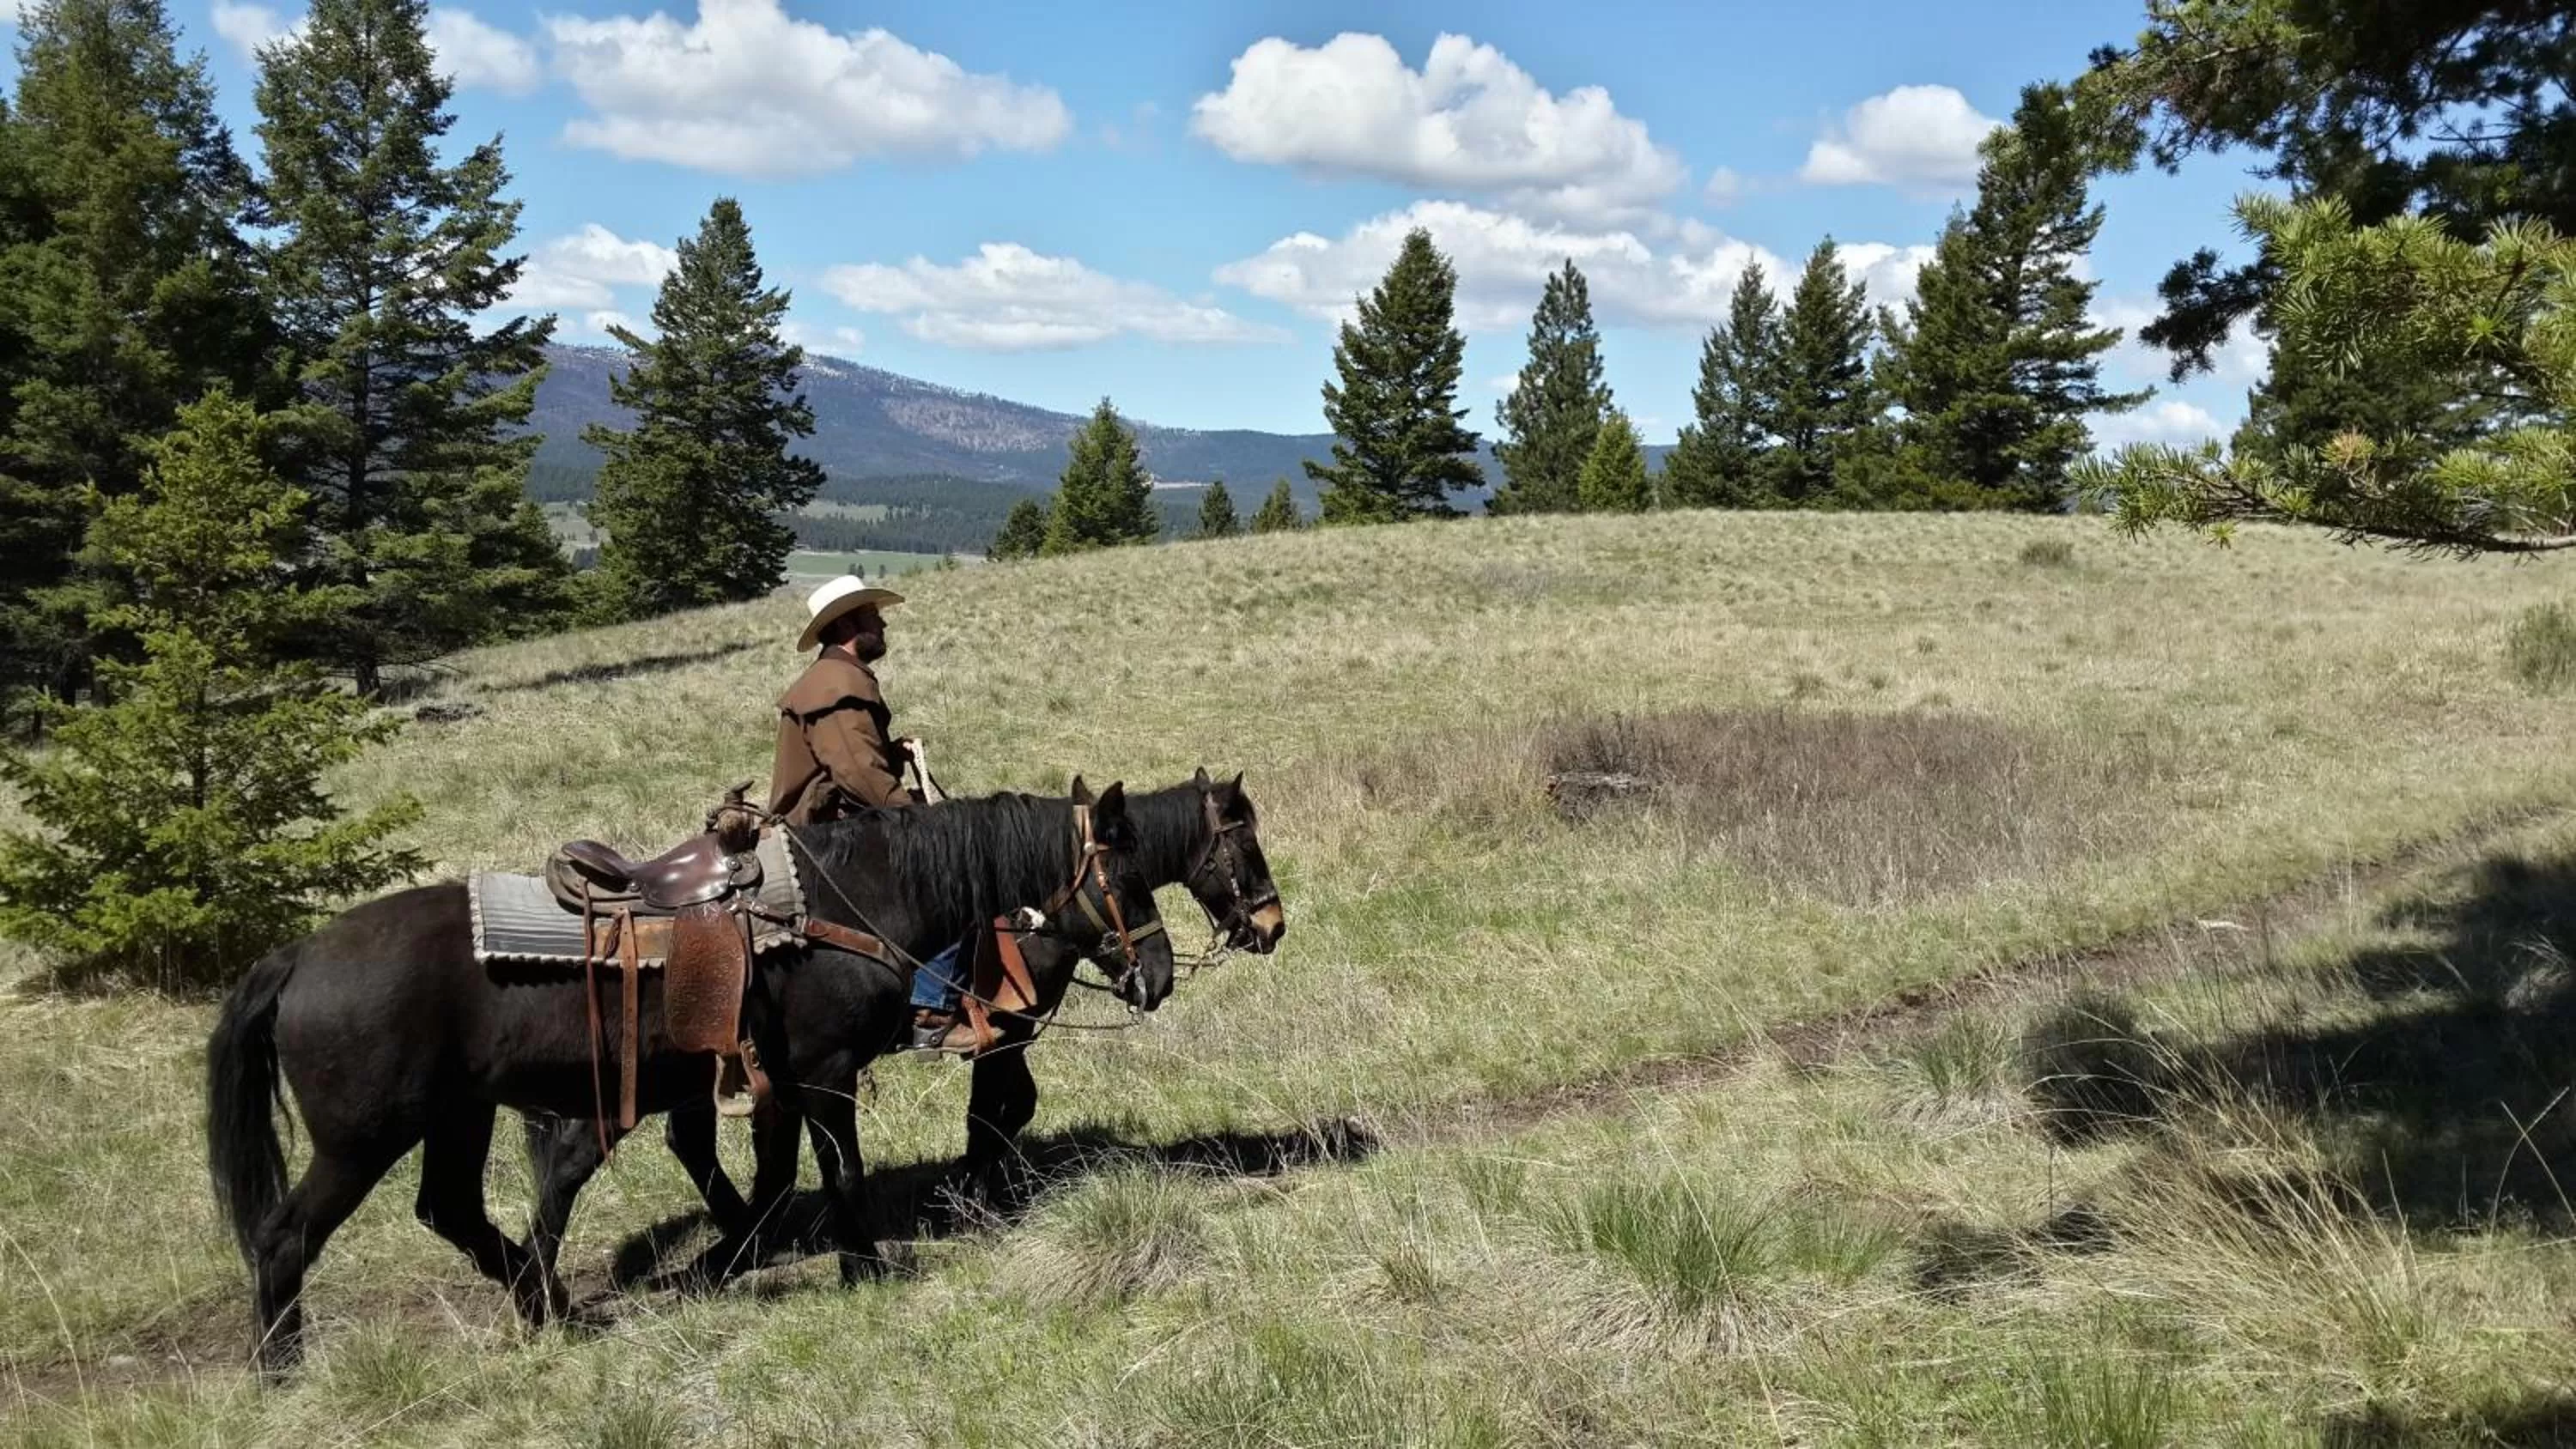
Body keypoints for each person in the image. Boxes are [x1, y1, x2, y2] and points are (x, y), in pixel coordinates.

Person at [768, 574, 979, 1053]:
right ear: (848, 623)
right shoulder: (836, 686)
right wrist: (923, 826)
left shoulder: (835, 679)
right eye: (872, 615)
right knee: (949, 881)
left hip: (838, 824)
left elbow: (855, 758)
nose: (882, 622)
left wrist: (892, 750)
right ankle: (928, 1013)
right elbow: (858, 776)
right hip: (827, 835)